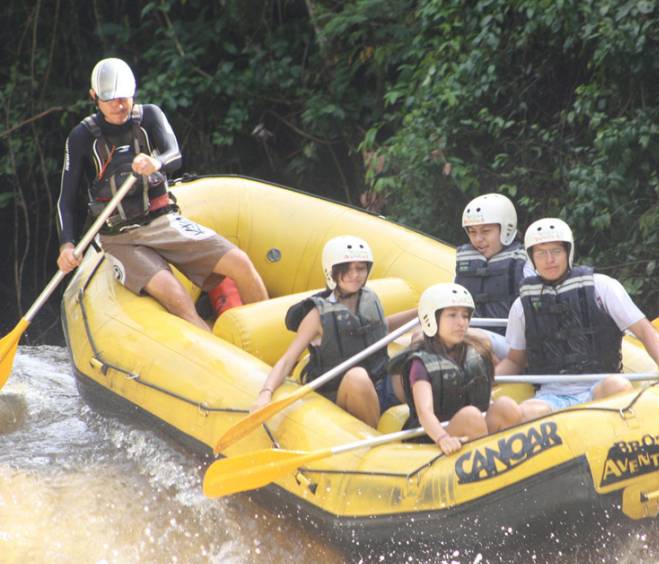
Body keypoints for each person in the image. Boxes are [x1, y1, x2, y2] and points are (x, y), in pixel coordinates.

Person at [55, 57, 267, 331]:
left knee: (240, 262)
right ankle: (219, 353)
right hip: (121, 236)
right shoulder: (81, 137)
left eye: (124, 98)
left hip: (162, 221)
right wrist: (66, 245)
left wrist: (157, 162)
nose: (119, 106)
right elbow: (66, 199)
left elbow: (174, 154)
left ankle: (265, 339)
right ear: (94, 97)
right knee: (176, 296)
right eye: (111, 100)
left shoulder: (150, 116)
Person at [487, 218, 659, 431]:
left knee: (618, 386)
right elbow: (516, 361)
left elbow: (645, 330)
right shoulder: (521, 305)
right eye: (541, 253)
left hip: (598, 387)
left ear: (568, 252)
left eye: (556, 251)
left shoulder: (602, 287)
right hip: (551, 396)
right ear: (532, 257)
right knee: (524, 413)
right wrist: (489, 383)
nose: (549, 259)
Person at [257, 236, 415, 427]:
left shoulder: (369, 298)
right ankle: (376, 438)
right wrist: (265, 393)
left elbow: (382, 328)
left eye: (360, 268)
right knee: (357, 376)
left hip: (379, 381)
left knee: (418, 353)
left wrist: (420, 312)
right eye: (346, 269)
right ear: (331, 272)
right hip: (343, 390)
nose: (354, 275)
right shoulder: (317, 315)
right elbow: (287, 360)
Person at [398, 283, 494, 455]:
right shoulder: (420, 363)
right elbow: (424, 411)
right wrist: (443, 438)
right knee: (471, 416)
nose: (461, 323)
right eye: (452, 315)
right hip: (433, 436)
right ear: (431, 319)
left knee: (506, 407)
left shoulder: (475, 352)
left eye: (465, 316)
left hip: (470, 429)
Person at [454, 193, 535, 360]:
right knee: (419, 337)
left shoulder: (526, 263)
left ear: (507, 228)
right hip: (469, 335)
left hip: (510, 343)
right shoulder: (464, 261)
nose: (478, 239)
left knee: (466, 336)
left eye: (486, 231)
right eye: (472, 232)